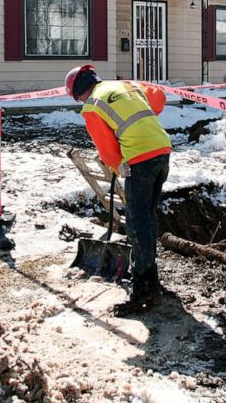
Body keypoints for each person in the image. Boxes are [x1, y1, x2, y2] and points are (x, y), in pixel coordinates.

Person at [65, 64, 171, 316]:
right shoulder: (126, 85)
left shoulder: (91, 106)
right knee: (147, 217)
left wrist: (116, 166)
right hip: (162, 150)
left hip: (140, 159)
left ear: (80, 93)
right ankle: (151, 279)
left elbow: (108, 150)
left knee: (136, 223)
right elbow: (158, 98)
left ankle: (144, 290)